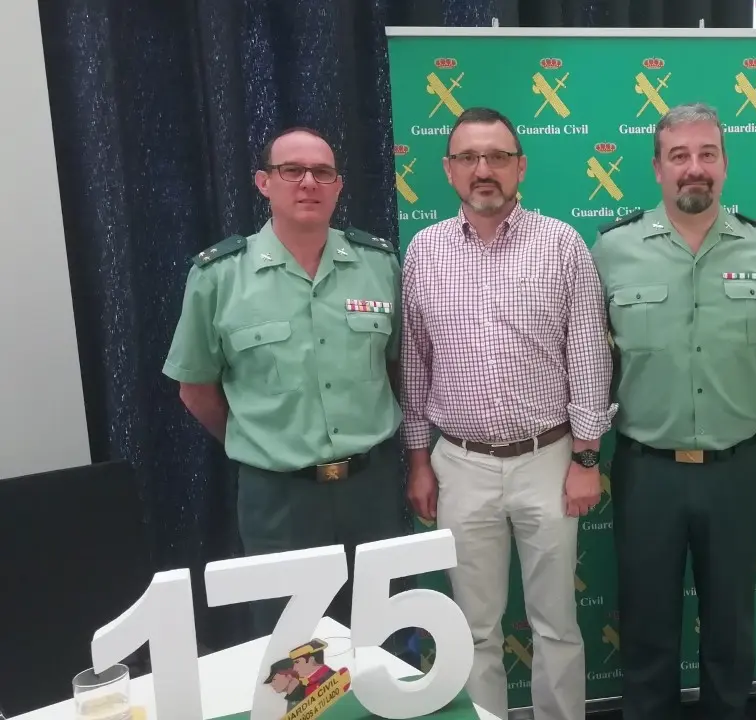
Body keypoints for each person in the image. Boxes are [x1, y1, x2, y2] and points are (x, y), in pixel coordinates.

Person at [590, 102, 756, 720]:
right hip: (647, 470)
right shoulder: (613, 249)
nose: (694, 167)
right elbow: (593, 348)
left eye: (707, 154)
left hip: (736, 469)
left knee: (732, 626)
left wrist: (731, 381)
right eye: (679, 155)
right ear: (657, 167)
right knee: (646, 623)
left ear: (725, 164)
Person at [400, 106, 613, 720]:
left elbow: (588, 356)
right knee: (471, 630)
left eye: (497, 156)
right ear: (448, 170)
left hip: (550, 459)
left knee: (556, 624)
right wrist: (418, 461)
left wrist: (586, 459)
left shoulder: (562, 245)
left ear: (521, 166)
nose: (483, 169)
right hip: (459, 465)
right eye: (469, 157)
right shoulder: (424, 252)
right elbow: (413, 367)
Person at [162, 127, 408, 636]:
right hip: (278, 501)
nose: (308, 183)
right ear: (263, 182)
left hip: (372, 491)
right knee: (292, 656)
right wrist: (262, 438)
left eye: (322, 172)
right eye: (291, 170)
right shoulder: (219, 276)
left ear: (338, 185)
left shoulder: (379, 265)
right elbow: (196, 388)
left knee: (382, 641)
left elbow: (396, 367)